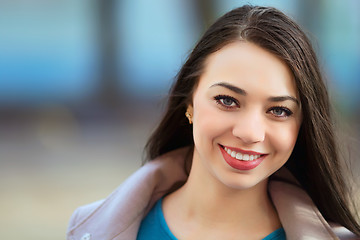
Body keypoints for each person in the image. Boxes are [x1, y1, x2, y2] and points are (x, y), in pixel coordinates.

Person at [66, 5, 360, 240]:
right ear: (190, 102)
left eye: (279, 111)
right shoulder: (90, 230)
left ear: (301, 127)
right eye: (227, 100)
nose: (249, 132)